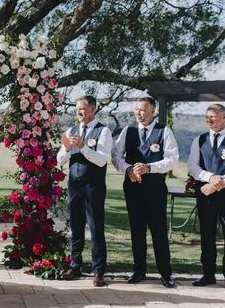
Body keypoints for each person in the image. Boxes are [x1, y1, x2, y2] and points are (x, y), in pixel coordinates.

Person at [112, 97, 178, 288]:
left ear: (153, 111)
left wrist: (150, 167)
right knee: (137, 230)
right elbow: (116, 155)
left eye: (142, 110)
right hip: (133, 188)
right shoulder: (128, 131)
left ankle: (166, 274)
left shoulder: (164, 131)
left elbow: (172, 159)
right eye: (136, 110)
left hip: (155, 188)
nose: (138, 113)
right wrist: (128, 169)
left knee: (158, 231)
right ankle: (138, 271)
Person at [188, 103, 225, 292]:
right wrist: (210, 178)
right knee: (207, 234)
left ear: (224, 117)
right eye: (207, 117)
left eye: (213, 117)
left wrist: (220, 182)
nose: (209, 120)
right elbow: (192, 166)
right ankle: (208, 274)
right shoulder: (199, 140)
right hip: (205, 195)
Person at [57, 96, 111, 287]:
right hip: (74, 184)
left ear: (93, 110)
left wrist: (82, 148)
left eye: (83, 109)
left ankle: (98, 271)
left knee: (96, 227)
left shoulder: (103, 131)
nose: (79, 112)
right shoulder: (71, 130)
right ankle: (75, 264)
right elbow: (59, 160)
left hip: (94, 185)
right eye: (77, 109)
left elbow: (102, 160)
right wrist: (66, 148)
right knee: (76, 225)